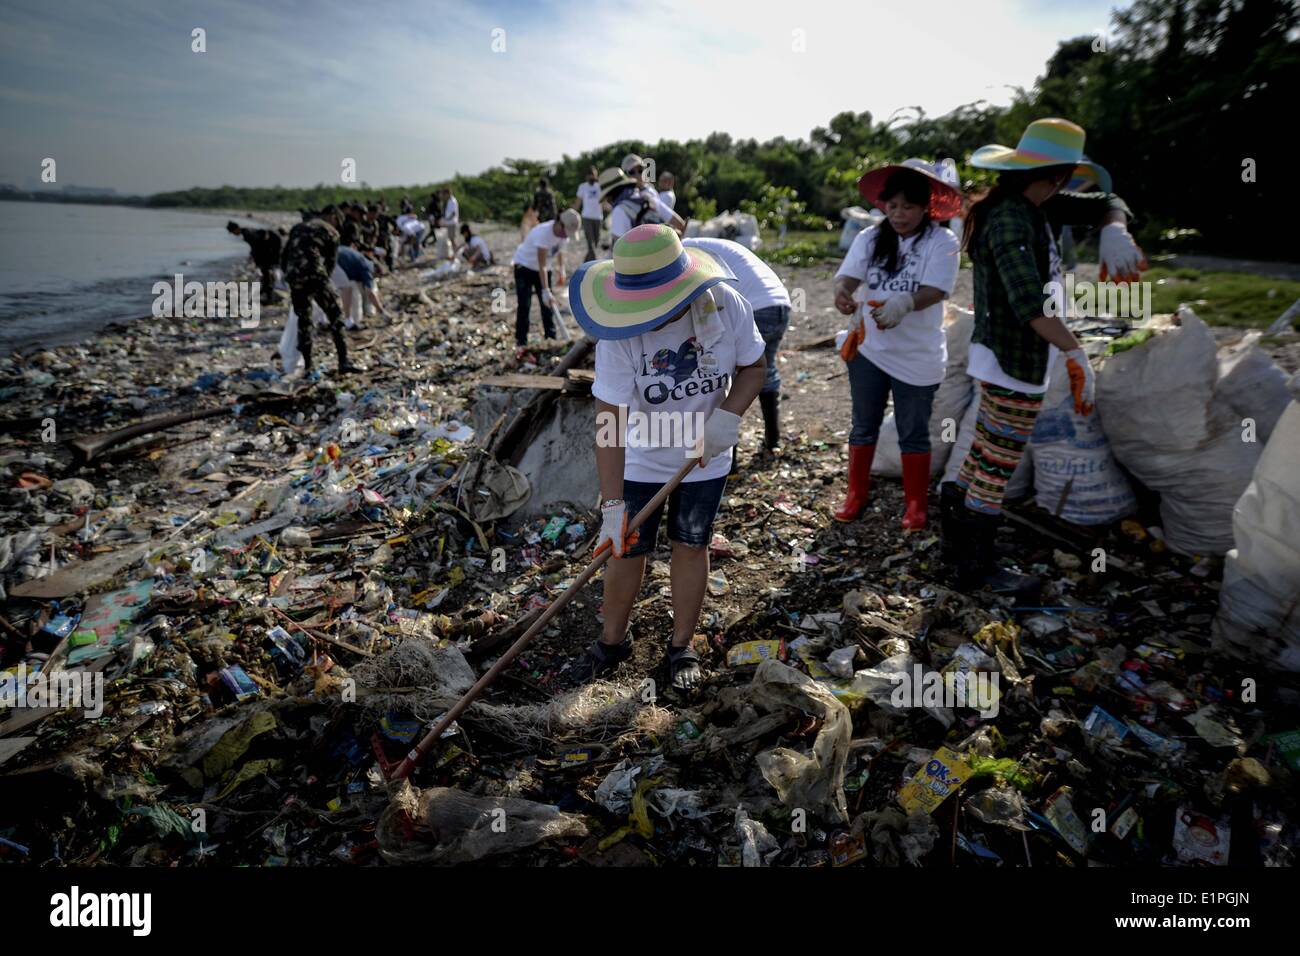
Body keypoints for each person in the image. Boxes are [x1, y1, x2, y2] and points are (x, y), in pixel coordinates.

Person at [942, 117, 1147, 588]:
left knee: (983, 452)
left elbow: (1109, 202)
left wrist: (1116, 229)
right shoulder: (1012, 216)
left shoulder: (1036, 205)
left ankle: (956, 546)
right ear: (1058, 176)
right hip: (1014, 359)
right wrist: (1076, 354)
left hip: (1007, 357)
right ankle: (977, 568)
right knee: (999, 462)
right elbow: (1027, 304)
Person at [567, 224, 767, 690]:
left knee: (691, 543)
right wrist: (613, 507)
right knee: (626, 549)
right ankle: (612, 641)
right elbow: (609, 422)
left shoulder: (724, 306)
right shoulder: (618, 336)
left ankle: (681, 646)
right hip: (642, 456)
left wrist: (727, 418)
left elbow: (754, 367)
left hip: (705, 454)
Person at [830, 159, 962, 530]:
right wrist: (842, 295)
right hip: (870, 348)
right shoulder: (869, 238)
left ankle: (916, 503)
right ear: (884, 207)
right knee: (863, 425)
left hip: (918, 353)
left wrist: (905, 303)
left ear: (926, 208)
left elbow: (937, 289)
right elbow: (847, 279)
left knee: (913, 429)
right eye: (893, 207)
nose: (900, 214)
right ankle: (856, 493)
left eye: (909, 207)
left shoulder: (943, 240)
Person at [682, 237, 790, 458]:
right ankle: (773, 441)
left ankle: (724, 455)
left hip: (756, 305)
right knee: (763, 370)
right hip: (780, 303)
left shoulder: (685, 252)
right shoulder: (709, 243)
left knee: (724, 378)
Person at [280, 208, 361, 376]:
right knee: (336, 316)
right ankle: (343, 362)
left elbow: (284, 256)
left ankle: (308, 365)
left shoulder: (298, 227)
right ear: (333, 217)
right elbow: (330, 264)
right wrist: (324, 284)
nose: (338, 225)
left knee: (304, 321)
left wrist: (290, 276)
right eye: (338, 221)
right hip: (315, 275)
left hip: (294, 277)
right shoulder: (331, 232)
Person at [511, 209, 580, 347]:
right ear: (560, 223)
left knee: (548, 305)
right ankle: (521, 341)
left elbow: (560, 252)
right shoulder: (543, 234)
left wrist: (561, 270)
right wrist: (545, 290)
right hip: (524, 266)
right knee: (525, 304)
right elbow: (541, 264)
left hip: (543, 269)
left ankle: (551, 338)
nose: (565, 236)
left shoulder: (563, 236)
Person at [599, 167, 684, 245]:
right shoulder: (648, 198)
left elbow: (619, 252)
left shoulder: (619, 211)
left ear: (609, 197)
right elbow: (680, 224)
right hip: (666, 253)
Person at [226, 221, 282, 304]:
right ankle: (267, 293)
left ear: (236, 229)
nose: (233, 234)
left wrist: (258, 260)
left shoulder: (248, 234)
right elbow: (256, 246)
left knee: (266, 272)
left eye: (233, 232)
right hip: (270, 248)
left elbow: (259, 246)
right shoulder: (247, 231)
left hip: (271, 248)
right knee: (266, 273)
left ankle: (268, 295)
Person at [333, 245, 390, 326]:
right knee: (347, 289)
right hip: (333, 259)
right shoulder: (368, 270)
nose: (373, 279)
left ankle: (326, 320)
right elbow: (370, 293)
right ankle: (348, 321)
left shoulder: (364, 261)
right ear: (376, 272)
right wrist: (382, 312)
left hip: (332, 252)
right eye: (376, 277)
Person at [576, 166, 604, 262]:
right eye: (590, 175)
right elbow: (577, 203)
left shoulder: (600, 186)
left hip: (598, 218)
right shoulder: (582, 187)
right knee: (591, 245)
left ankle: (585, 263)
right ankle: (594, 266)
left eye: (594, 175)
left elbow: (604, 203)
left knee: (595, 244)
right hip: (586, 217)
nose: (592, 177)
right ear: (587, 176)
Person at [440, 187, 460, 257]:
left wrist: (445, 220)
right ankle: (454, 253)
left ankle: (456, 253)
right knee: (450, 239)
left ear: (447, 194)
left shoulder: (452, 201)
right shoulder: (449, 201)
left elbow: (453, 213)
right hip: (449, 223)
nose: (443, 196)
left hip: (452, 223)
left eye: (444, 194)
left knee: (452, 239)